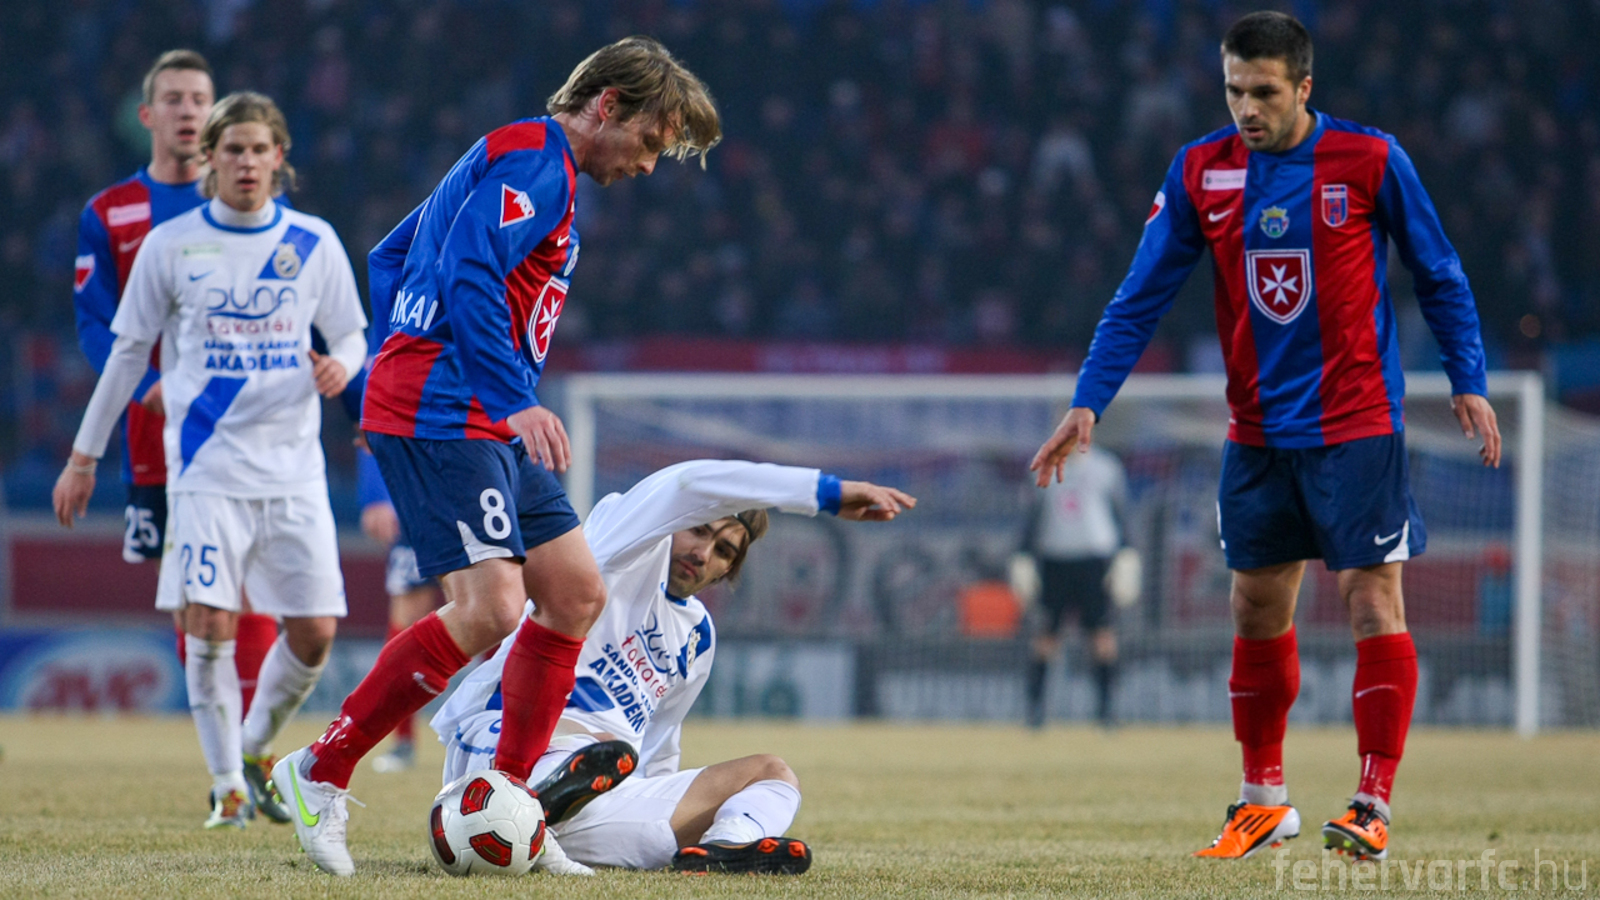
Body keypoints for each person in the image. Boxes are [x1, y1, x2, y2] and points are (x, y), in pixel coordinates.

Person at [1029, 11, 1501, 863]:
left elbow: (1440, 272)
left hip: (1357, 424)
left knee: (1370, 599)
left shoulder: (1369, 159)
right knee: (1254, 606)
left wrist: (1468, 377)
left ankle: (1371, 802)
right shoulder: (1200, 170)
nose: (1247, 108)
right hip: (1255, 432)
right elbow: (1138, 296)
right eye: (1234, 90)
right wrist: (1088, 401)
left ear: (1304, 87)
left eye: (1265, 92)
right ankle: (1263, 803)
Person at [273, 36, 722, 876]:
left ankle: (515, 803)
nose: (647, 166)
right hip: (452, 409)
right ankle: (319, 768)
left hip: (473, 407)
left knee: (575, 593)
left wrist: (398, 356)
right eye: (650, 142)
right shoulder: (537, 164)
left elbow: (392, 256)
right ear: (608, 105)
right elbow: (471, 268)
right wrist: (499, 392)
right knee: (489, 608)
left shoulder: (525, 159)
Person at [54, 92, 368, 830]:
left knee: (316, 633)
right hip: (205, 469)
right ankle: (227, 783)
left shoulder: (313, 241)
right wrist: (82, 457)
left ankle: (255, 749)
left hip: (293, 471)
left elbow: (353, 333)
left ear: (279, 157)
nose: (247, 162)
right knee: (209, 623)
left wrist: (343, 367)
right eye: (234, 150)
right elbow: (127, 355)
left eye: (259, 149)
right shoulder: (172, 244)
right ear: (211, 160)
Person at [431, 459, 915, 874]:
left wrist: (657, 797)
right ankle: (535, 805)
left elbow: (661, 741)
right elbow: (691, 483)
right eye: (699, 529)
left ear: (728, 570)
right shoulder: (619, 548)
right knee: (603, 746)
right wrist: (824, 493)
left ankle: (723, 847)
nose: (703, 554)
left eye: (724, 551)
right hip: (501, 752)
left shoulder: (698, 634)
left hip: (604, 794)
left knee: (772, 772)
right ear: (677, 519)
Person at [72, 49, 284, 784]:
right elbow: (94, 325)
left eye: (200, 98)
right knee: (193, 595)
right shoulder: (111, 213)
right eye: (175, 99)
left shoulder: (246, 205)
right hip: (154, 435)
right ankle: (225, 758)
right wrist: (146, 387)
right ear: (148, 115)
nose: (189, 110)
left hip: (246, 428)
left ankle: (252, 749)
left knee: (251, 584)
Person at [1014, 445, 1131, 729]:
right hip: (1054, 559)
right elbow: (1032, 515)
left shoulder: (1106, 467)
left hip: (1095, 559)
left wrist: (1127, 552)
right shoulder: (1042, 465)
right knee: (1046, 636)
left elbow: (1120, 514)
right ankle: (1035, 709)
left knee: (1102, 636)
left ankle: (1107, 709)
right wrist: (1023, 554)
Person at [354, 447, 443, 773]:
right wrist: (375, 494)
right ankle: (403, 740)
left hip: (477, 483)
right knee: (407, 621)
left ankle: (502, 732)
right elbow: (368, 426)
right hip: (418, 499)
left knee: (497, 610)